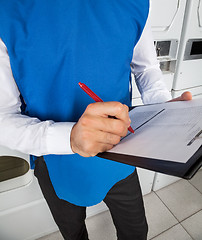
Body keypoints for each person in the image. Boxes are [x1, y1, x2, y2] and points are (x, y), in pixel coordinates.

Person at [0, 1, 192, 240]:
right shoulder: (6, 10)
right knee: (74, 234)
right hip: (56, 161)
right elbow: (3, 116)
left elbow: (146, 69)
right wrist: (70, 137)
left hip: (122, 151)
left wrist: (163, 108)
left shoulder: (136, 3)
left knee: (136, 232)